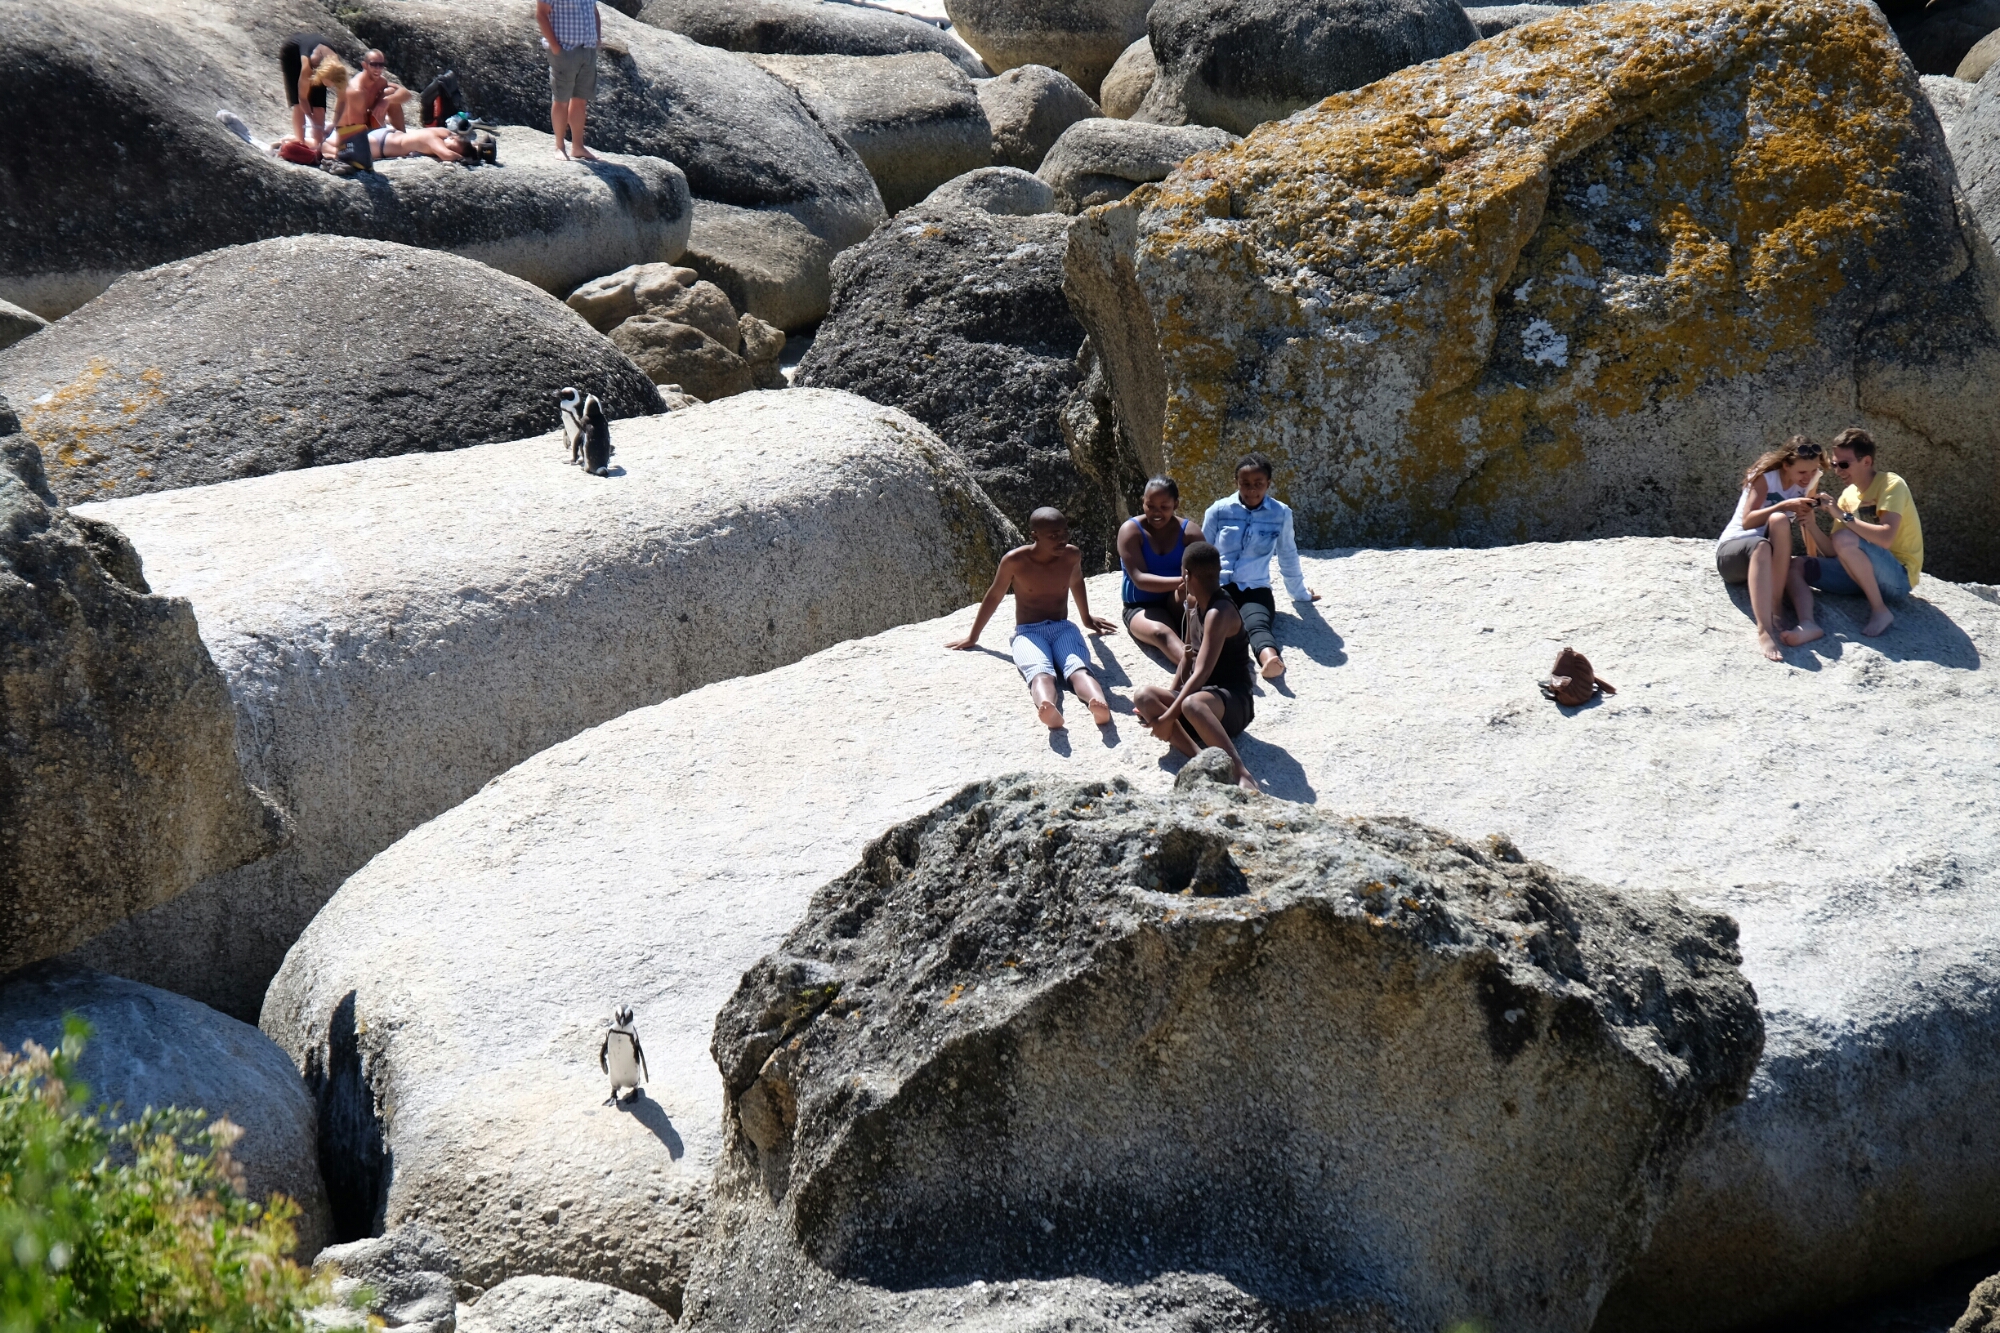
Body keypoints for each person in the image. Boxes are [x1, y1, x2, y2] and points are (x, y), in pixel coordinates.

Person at [946, 507, 1117, 731]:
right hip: (1029, 632)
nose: (1061, 539)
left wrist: (1086, 617)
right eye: (1053, 536)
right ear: (1034, 535)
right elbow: (994, 595)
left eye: (1065, 533)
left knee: (1078, 668)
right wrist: (973, 636)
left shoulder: (1071, 555)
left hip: (1062, 627)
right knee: (1040, 672)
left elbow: (1076, 582)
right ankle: (1047, 706)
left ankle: (1098, 702)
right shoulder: (1015, 561)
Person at [1133, 542, 1259, 793]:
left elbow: (1201, 673)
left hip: (1233, 701)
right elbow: (1188, 657)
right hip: (1202, 699)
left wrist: (1167, 717)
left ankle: (1240, 772)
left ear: (1186, 574)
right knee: (1144, 696)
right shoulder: (1193, 602)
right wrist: (1169, 698)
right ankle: (1200, 760)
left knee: (1192, 704)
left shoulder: (1219, 612)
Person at [1201, 454, 1319, 680]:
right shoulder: (1218, 510)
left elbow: (1287, 554)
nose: (1252, 490)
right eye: (1245, 484)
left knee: (1258, 623)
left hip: (1256, 587)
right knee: (1219, 622)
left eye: (1258, 484)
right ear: (1237, 482)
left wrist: (1300, 594)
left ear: (1268, 484)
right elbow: (1201, 552)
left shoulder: (1281, 513)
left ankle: (1270, 660)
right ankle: (1224, 667)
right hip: (1220, 586)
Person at [1799, 427, 1923, 638]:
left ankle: (1880, 610)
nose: (1838, 471)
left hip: (1898, 578)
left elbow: (1885, 538)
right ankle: (1804, 624)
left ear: (1866, 461)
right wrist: (1810, 524)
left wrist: (1840, 515)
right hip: (1859, 577)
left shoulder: (1891, 484)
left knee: (1844, 537)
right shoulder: (1848, 495)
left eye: (1844, 464)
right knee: (1797, 566)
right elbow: (1832, 552)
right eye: (1834, 464)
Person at [1714, 435, 1824, 660]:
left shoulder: (1809, 483)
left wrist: (1812, 557)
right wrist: (1783, 505)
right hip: (1733, 553)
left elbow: (1805, 523)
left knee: (1781, 523)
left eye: (1813, 471)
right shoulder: (1765, 479)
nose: (1808, 478)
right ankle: (1764, 630)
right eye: (1802, 472)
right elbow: (1747, 521)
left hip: (1766, 560)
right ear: (1786, 465)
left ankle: (1780, 609)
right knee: (1763, 542)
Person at [1117, 476, 1203, 669]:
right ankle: (1198, 669)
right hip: (1142, 606)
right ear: (1143, 502)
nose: (1156, 513)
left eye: (1164, 507)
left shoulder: (1190, 533)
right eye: (1150, 506)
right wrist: (1186, 581)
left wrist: (1188, 585)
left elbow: (1205, 573)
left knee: (1194, 600)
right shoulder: (1131, 531)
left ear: (1176, 505)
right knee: (1162, 634)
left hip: (1177, 601)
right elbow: (1140, 579)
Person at [327, 65, 466, 165]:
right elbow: (446, 154)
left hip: (382, 134)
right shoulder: (355, 89)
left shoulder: (380, 84)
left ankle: (400, 131)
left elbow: (406, 94)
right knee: (335, 146)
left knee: (389, 95)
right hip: (368, 134)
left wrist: (387, 101)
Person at [536, 0, 602, 161]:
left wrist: (598, 38)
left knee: (580, 100)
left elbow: (594, 11)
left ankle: (578, 147)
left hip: (587, 50)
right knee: (561, 99)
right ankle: (559, 146)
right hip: (565, 50)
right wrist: (555, 47)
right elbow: (541, 14)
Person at [280, 36, 342, 150]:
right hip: (292, 54)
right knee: (299, 106)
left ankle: (318, 144)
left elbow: (343, 99)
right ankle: (300, 141)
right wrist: (311, 119)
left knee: (319, 106)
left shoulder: (339, 70)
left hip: (322, 63)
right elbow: (302, 98)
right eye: (327, 83)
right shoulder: (308, 66)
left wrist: (334, 123)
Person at [357, 51, 409, 133]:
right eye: (373, 64)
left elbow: (407, 94)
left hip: (374, 123)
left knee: (390, 92)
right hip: (357, 127)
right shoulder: (356, 86)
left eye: (381, 65)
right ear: (365, 65)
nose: (378, 69)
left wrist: (387, 100)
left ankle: (402, 134)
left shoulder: (381, 82)